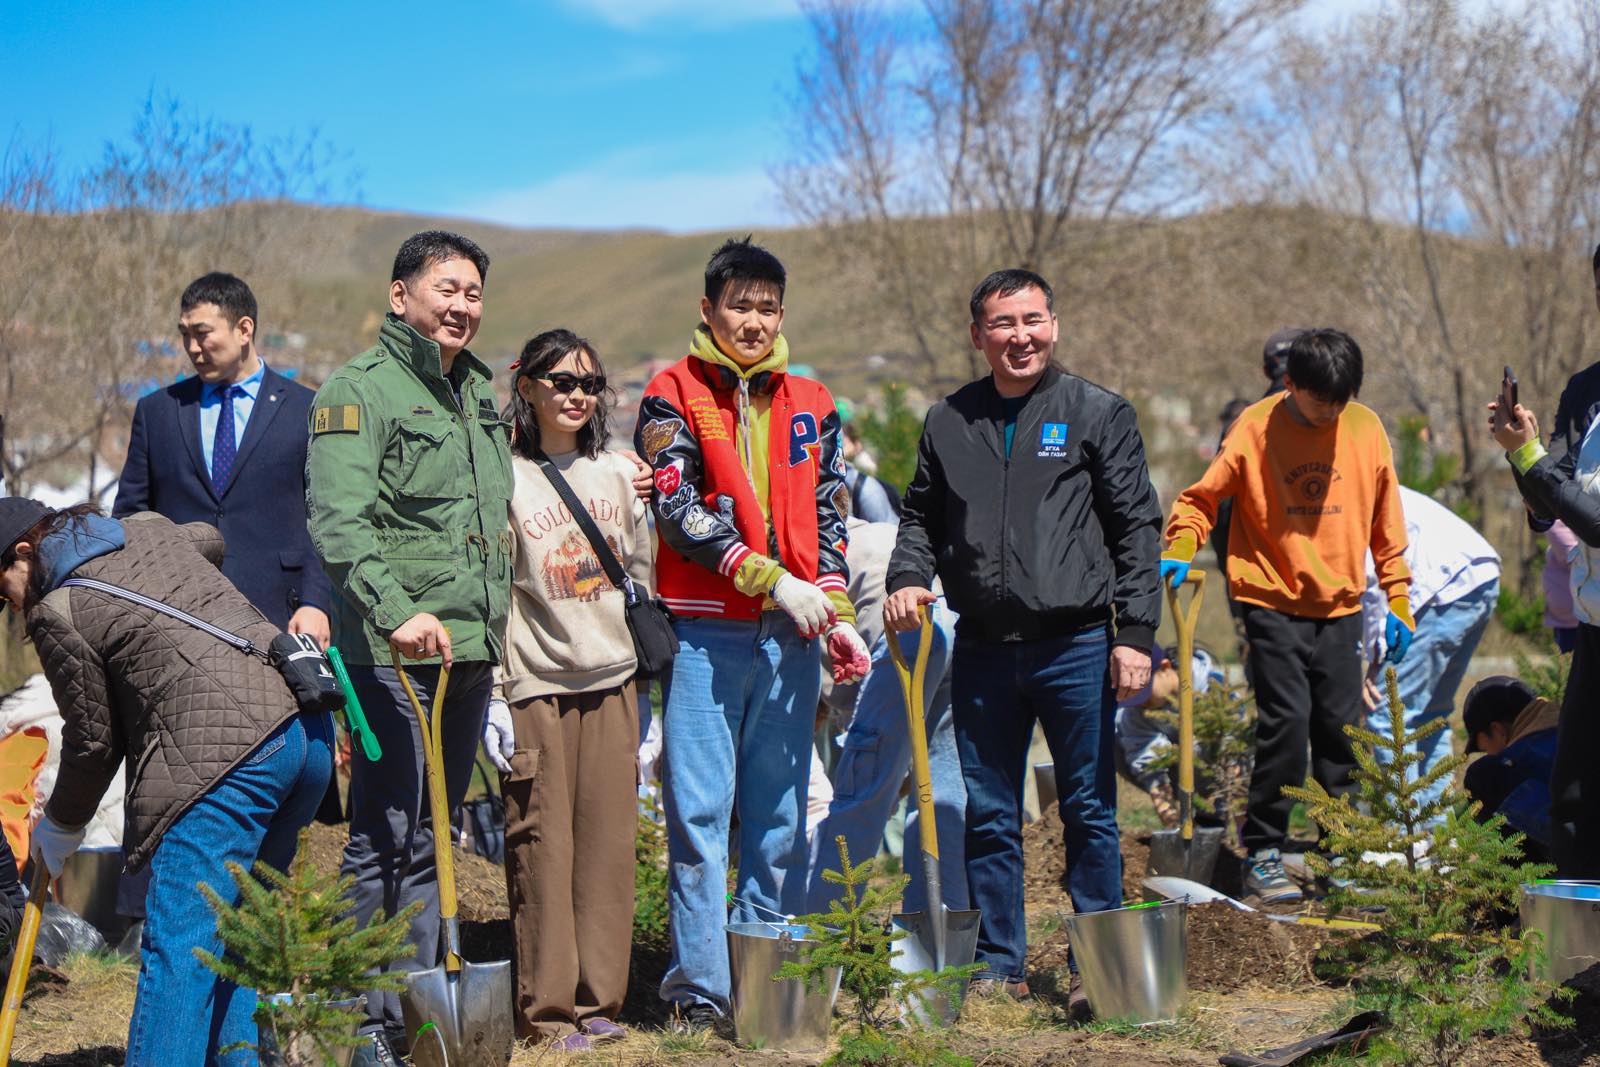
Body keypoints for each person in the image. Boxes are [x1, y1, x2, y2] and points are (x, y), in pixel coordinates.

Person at [885, 268, 1162, 1018]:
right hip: (982, 646)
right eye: (1003, 323)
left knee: (1089, 810)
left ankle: (1093, 964)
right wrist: (907, 575)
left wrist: (1135, 632)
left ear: (1055, 325)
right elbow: (919, 517)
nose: (1021, 336)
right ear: (978, 334)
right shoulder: (949, 420)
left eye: (1033, 319)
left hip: (1074, 642)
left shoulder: (1097, 412)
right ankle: (999, 963)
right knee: (991, 810)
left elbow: (1138, 526)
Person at [2, 499, 332, 1066]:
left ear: (26, 552)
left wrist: (58, 828)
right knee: (236, 946)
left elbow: (92, 743)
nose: (9, 605)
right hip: (305, 734)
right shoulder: (149, 530)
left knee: (181, 951)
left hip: (226, 760)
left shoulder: (60, 611)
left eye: (1, 584)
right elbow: (208, 537)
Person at [634, 236, 869, 1029]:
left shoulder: (816, 401)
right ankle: (700, 991)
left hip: (795, 635)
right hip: (706, 634)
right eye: (740, 304)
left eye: (768, 306)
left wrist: (835, 614)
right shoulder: (670, 392)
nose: (755, 320)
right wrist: (772, 578)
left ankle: (764, 975)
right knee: (700, 815)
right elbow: (679, 508)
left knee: (777, 812)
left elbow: (831, 514)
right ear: (709, 310)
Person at [305, 230, 513, 1058]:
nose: (461, 305)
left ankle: (418, 1015)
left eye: (473, 292)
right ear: (401, 296)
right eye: (446, 288)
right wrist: (393, 612)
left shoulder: (477, 394)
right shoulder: (356, 393)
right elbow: (339, 523)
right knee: (384, 838)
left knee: (432, 836)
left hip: (468, 652)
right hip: (393, 656)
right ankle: (363, 1024)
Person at [1162, 328, 1412, 904]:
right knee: (1287, 722)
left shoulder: (1365, 427)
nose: (1330, 415)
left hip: (1341, 601)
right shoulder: (1255, 425)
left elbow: (1386, 522)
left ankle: (1341, 849)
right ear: (1291, 384)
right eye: (1320, 402)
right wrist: (1180, 545)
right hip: (1270, 594)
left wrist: (1397, 598)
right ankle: (1266, 850)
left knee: (1340, 728)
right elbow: (1201, 498)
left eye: (1341, 403)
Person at [113, 272, 339, 838]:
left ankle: (295, 907)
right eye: (184, 334)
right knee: (189, 770)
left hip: (282, 617)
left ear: (244, 329)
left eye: (202, 333)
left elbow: (327, 519)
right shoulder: (158, 412)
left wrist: (317, 602)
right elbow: (130, 516)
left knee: (295, 774)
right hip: (181, 626)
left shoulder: (307, 408)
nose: (192, 347)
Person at [476, 329, 650, 1051]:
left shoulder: (617, 473)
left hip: (612, 679)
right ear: (527, 388)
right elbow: (493, 589)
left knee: (608, 846)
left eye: (589, 384)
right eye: (560, 381)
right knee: (541, 847)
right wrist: (493, 690)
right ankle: (547, 1014)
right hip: (535, 684)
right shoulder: (503, 478)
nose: (576, 395)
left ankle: (600, 1001)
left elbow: (642, 571)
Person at [806, 517, 967, 917]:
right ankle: (937, 940)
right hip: (954, 624)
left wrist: (877, 765)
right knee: (943, 794)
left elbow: (842, 693)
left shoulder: (812, 552)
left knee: (862, 789)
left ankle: (825, 934)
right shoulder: (862, 530)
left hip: (907, 633)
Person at [1491, 389, 1600, 878]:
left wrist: (1528, 457)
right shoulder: (1588, 396)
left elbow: (1596, 521)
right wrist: (1521, 456)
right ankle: (1578, 942)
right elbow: (1551, 500)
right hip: (1594, 625)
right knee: (1572, 793)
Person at [1359, 485, 1499, 819]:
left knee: (1389, 714)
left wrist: (1375, 658)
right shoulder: (1366, 479)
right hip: (1477, 576)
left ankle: (1407, 842)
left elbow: (1373, 585)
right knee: (1429, 715)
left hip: (1443, 587)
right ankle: (1439, 839)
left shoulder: (1350, 499)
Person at [1461, 676, 1559, 862]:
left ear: (1499, 731)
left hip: (1582, 871)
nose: (1489, 755)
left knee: (1481, 775)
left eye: (1485, 749)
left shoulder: (1511, 763)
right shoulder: (1578, 730)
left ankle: (1522, 886)